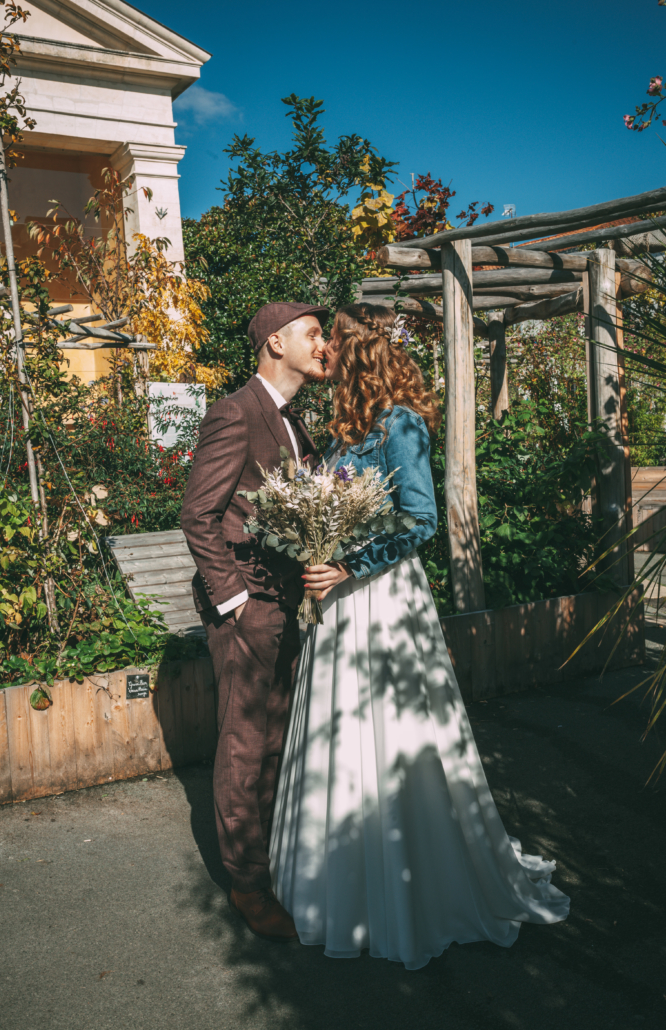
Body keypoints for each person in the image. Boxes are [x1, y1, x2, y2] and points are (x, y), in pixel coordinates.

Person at [269, 303, 570, 970]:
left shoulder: (398, 423)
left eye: (330, 340)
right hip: (338, 606)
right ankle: (341, 882)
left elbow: (420, 520)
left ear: (356, 352)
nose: (323, 349)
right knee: (341, 734)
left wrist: (347, 565)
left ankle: (410, 886)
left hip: (379, 602)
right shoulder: (345, 430)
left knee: (391, 731)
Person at [181, 301, 327, 942]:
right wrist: (233, 599)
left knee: (275, 740)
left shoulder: (296, 422)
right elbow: (198, 515)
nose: (324, 345)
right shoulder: (235, 413)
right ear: (275, 343)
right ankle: (247, 885)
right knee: (244, 744)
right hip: (248, 607)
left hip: (287, 601)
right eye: (314, 334)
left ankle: (272, 864)